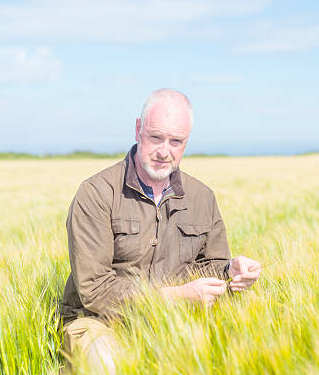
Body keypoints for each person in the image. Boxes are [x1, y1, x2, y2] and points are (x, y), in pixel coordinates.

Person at [59, 89, 263, 372]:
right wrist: (175, 296)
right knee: (107, 364)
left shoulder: (203, 197)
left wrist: (230, 270)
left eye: (176, 141)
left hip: (174, 320)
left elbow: (208, 267)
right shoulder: (96, 193)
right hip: (98, 321)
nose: (164, 151)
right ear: (138, 129)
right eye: (156, 137)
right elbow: (95, 290)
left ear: (186, 142)